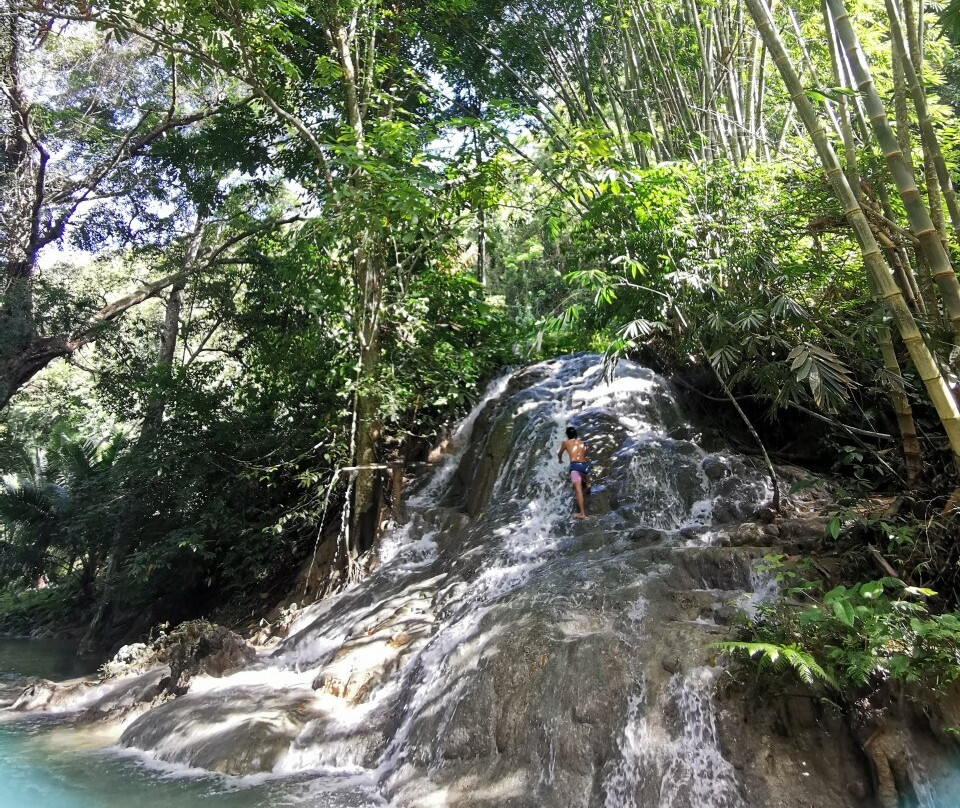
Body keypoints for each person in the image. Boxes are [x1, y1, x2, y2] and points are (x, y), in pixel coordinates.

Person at [557, 426, 591, 519]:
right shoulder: (582, 443)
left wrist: (560, 459)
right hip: (584, 467)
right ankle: (588, 485)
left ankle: (582, 514)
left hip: (575, 468)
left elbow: (560, 453)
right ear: (576, 434)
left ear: (567, 435)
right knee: (585, 481)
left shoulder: (566, 442)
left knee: (578, 490)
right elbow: (586, 453)